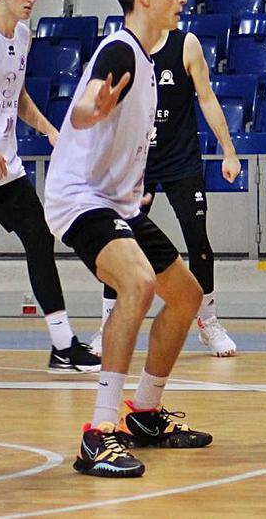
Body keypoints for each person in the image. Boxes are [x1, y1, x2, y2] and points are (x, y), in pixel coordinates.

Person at [46, 0, 211, 478]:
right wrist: (89, 111)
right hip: (80, 197)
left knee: (187, 296)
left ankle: (143, 414)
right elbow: (87, 104)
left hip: (116, 201)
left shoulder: (150, 55)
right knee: (138, 284)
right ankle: (98, 433)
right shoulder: (120, 49)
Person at [0, 0, 99, 373]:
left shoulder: (23, 36)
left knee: (40, 236)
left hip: (2, 167)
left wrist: (49, 129)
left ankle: (63, 346)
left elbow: (16, 94)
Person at [94, 22, 242, 358]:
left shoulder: (185, 44)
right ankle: (107, 325)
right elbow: (106, 110)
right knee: (117, 242)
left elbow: (206, 98)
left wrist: (228, 150)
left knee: (198, 240)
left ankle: (209, 322)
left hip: (181, 161)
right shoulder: (122, 48)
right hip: (136, 162)